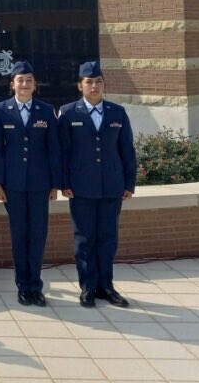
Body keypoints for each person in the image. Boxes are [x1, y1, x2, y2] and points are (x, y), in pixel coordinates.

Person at [59, 61, 137, 308]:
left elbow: (127, 150)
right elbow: (63, 152)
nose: (94, 86)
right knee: (84, 238)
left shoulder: (117, 112)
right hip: (80, 187)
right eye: (89, 82)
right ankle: (88, 287)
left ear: (104, 85)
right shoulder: (69, 112)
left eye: (98, 82)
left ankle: (107, 286)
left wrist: (129, 182)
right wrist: (64, 183)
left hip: (111, 186)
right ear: (80, 86)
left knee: (108, 237)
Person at [0, 60, 62, 307]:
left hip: (40, 185)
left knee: (38, 235)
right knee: (20, 236)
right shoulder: (1, 110)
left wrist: (55, 183)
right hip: (13, 185)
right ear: (12, 84)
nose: (24, 84)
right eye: (20, 80)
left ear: (35, 85)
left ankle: (36, 286)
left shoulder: (45, 110)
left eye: (29, 80)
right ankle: (23, 286)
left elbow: (54, 149)